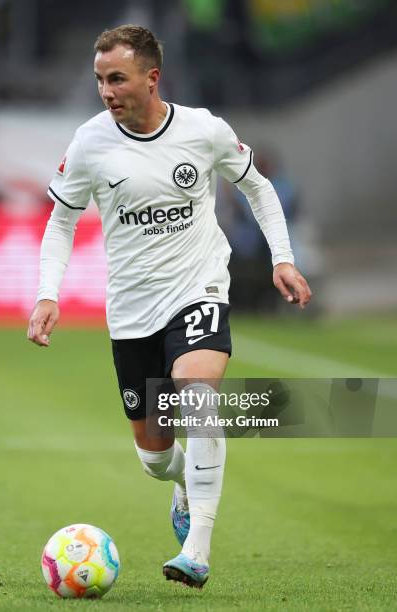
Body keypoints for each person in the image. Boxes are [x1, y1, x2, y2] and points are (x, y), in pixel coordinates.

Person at [27, 24, 311, 589]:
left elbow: (257, 185)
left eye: (117, 79)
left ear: (152, 78)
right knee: (155, 456)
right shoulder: (90, 142)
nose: (107, 91)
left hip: (198, 289)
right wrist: (47, 293)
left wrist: (282, 257)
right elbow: (61, 220)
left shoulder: (204, 131)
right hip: (132, 312)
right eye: (100, 80)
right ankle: (183, 481)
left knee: (198, 399)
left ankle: (196, 549)